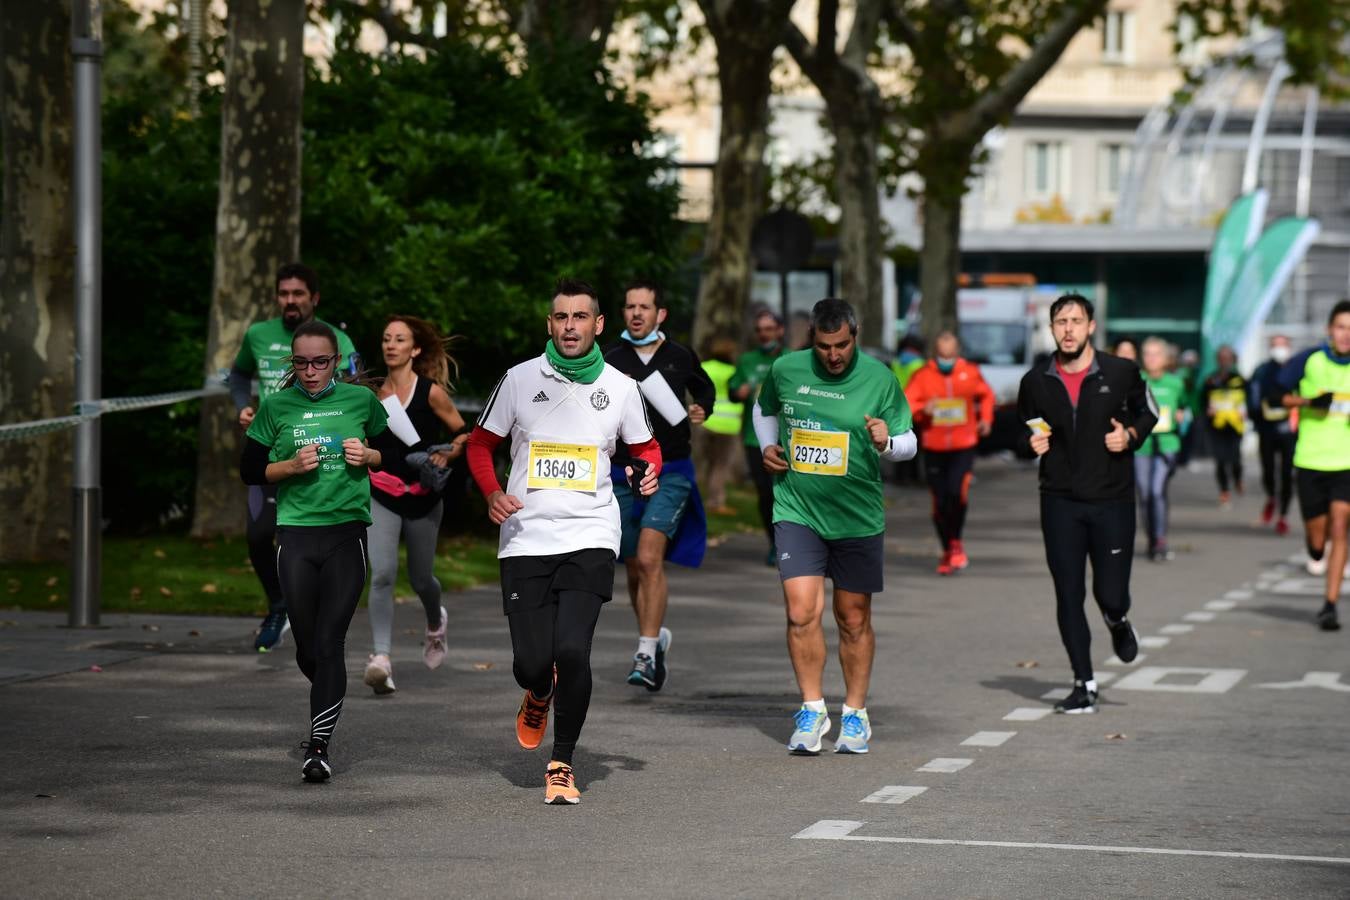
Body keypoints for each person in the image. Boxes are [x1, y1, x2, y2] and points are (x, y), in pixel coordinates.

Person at [465, 279, 661, 804]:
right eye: (560, 317)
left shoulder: (621, 388)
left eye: (579, 317)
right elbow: (481, 445)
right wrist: (490, 493)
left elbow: (647, 449)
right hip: (526, 536)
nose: (569, 326)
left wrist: (647, 473)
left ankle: (562, 761)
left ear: (598, 325)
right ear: (549, 324)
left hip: (591, 531)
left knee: (573, 649)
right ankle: (539, 690)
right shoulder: (519, 379)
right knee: (532, 661)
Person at [754, 298, 917, 754]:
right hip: (797, 509)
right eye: (824, 346)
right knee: (801, 611)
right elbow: (764, 410)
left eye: (842, 345)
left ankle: (856, 714)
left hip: (857, 515)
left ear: (855, 335)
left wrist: (888, 443)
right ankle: (811, 708)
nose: (833, 355)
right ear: (813, 339)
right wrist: (768, 446)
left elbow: (910, 442)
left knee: (852, 618)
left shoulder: (880, 378)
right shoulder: (786, 369)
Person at [239, 320, 388, 782]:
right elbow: (248, 470)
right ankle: (328, 688)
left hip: (346, 533)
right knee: (309, 648)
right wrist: (287, 466)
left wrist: (370, 458)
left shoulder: (360, 400)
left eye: (320, 362)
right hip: (297, 536)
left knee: (330, 642)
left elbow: (388, 453)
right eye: (301, 362)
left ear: (336, 361)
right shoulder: (276, 406)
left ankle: (318, 747)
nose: (310, 371)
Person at [1016, 294, 1155, 715]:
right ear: (1052, 328)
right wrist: (1029, 443)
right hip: (1059, 500)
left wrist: (1129, 436)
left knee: (1110, 593)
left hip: (1112, 499)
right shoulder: (1036, 380)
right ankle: (1084, 683)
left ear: (1091, 326)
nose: (1069, 329)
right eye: (1061, 322)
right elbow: (1023, 431)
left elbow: (1147, 413)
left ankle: (1117, 619)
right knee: (1068, 593)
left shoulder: (1121, 371)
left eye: (1076, 321)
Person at [229, 263, 358, 652]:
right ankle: (279, 604)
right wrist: (242, 406)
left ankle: (311, 609)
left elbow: (356, 379)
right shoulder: (258, 334)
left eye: (298, 294)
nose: (290, 300)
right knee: (257, 535)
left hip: (320, 448)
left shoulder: (337, 339)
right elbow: (237, 376)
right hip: (270, 443)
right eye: (283, 293)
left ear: (313, 298)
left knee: (314, 534)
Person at [603, 280, 715, 692]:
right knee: (633, 564)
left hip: (672, 470)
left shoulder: (679, 355)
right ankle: (652, 638)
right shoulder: (610, 358)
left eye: (644, 307)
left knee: (650, 557)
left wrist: (703, 408)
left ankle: (646, 652)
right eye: (630, 306)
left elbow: (705, 387)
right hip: (624, 471)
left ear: (659, 314)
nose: (636, 314)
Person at [362, 315, 470, 695]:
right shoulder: (372, 394)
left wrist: (446, 456)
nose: (391, 345)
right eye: (386, 339)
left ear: (415, 349)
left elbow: (463, 435)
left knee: (422, 578)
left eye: (400, 339)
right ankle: (380, 659)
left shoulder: (431, 393)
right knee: (382, 573)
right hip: (383, 492)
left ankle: (434, 620)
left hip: (423, 497)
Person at [1277, 300, 1350, 631]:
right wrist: (1309, 401)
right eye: (1341, 327)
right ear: (1329, 330)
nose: (1347, 335)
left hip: (1346, 463)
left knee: (1340, 526)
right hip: (1309, 460)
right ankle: (1314, 549)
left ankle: (1330, 604)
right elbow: (1275, 395)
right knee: (1318, 541)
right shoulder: (1310, 360)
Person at [903, 330, 994, 574]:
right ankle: (948, 549)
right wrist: (924, 408)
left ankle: (955, 543)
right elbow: (907, 404)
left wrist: (985, 419)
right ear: (935, 350)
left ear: (957, 350)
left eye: (950, 347)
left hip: (964, 445)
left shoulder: (970, 372)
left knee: (957, 493)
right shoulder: (923, 375)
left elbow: (986, 396)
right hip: (934, 446)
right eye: (941, 346)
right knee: (940, 501)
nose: (946, 352)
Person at [729, 310, 786, 565]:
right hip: (756, 440)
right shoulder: (747, 360)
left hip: (788, 438)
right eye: (760, 330)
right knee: (765, 494)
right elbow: (732, 389)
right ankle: (775, 543)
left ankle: (792, 543)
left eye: (769, 329)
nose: (764, 334)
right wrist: (737, 391)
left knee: (785, 493)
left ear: (779, 331)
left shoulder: (791, 360)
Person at [1136, 337, 1187, 561]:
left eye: (1156, 354)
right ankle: (1151, 537)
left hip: (1167, 444)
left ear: (1166, 359)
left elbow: (1185, 405)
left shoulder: (1175, 383)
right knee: (1145, 494)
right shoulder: (1136, 381)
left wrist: (1182, 416)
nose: (1151, 358)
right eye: (1147, 353)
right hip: (1141, 445)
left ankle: (1160, 539)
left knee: (1157, 491)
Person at [1249, 334, 1296, 535]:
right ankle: (1271, 497)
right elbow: (1252, 395)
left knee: (1287, 474)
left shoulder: (1297, 369)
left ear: (1289, 347)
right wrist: (1255, 415)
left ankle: (1283, 515)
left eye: (1282, 345)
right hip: (1266, 429)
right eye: (1275, 345)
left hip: (1289, 430)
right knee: (1268, 471)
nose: (1279, 349)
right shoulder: (1262, 370)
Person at [696, 338, 744, 515]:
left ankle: (703, 498)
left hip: (706, 422)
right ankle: (716, 502)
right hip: (727, 425)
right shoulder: (734, 372)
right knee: (720, 466)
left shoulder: (705, 367)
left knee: (707, 463)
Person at [1201, 346, 1247, 506]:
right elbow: (1202, 402)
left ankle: (1238, 478)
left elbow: (1248, 400)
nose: (1224, 361)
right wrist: (1208, 411)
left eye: (1227, 357)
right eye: (1221, 357)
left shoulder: (1240, 380)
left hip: (1235, 426)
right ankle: (1224, 490)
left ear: (1233, 359)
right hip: (1217, 426)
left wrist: (1245, 412)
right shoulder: (1210, 380)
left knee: (1235, 458)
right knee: (1220, 460)